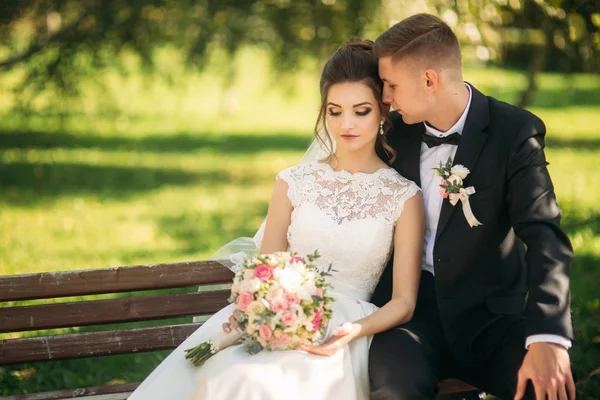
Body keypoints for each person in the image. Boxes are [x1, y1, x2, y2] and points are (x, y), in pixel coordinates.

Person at [128, 38, 424, 400]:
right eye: (334, 111)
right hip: (277, 319)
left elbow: (403, 302)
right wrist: (257, 307)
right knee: (227, 377)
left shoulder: (403, 196)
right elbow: (267, 267)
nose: (346, 124)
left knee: (265, 387)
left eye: (360, 111)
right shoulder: (292, 182)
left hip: (344, 336)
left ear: (382, 111)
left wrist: (352, 330)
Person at [368, 13, 576, 400]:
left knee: (550, 389)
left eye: (391, 85)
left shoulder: (515, 133)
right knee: (394, 389)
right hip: (410, 317)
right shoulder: (393, 133)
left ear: (430, 80)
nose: (385, 98)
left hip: (492, 322)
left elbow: (546, 237)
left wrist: (548, 334)